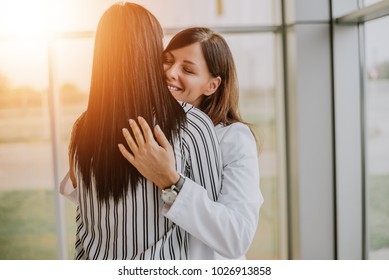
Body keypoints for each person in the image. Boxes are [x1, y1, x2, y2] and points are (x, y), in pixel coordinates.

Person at [63, 3, 222, 260]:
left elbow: (84, 223)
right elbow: (212, 230)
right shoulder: (192, 125)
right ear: (152, 52)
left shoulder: (83, 127)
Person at [118, 27, 263, 259]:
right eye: (167, 61)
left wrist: (170, 181)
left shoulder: (233, 138)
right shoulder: (146, 128)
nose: (170, 72)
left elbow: (237, 237)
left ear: (212, 85)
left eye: (187, 69)